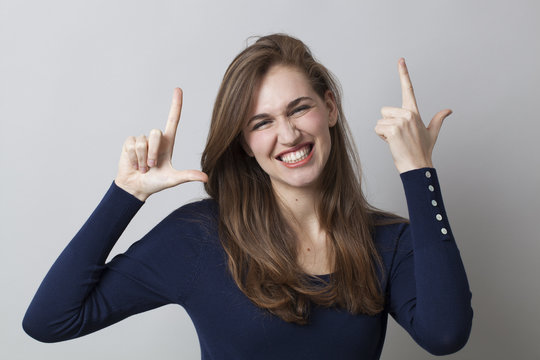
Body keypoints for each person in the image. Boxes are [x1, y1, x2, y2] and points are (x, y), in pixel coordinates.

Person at [23, 34, 473, 359]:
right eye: (261, 122)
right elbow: (50, 320)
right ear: (244, 142)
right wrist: (126, 194)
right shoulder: (199, 236)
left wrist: (418, 171)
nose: (288, 134)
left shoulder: (388, 242)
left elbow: (445, 334)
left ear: (329, 109)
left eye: (299, 108)